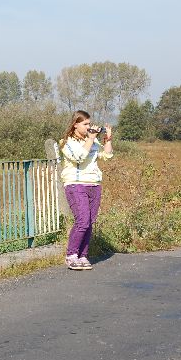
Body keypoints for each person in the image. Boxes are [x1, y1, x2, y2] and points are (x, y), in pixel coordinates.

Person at [59, 110, 113, 271]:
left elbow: (107, 155)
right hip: (76, 184)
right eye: (85, 124)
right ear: (75, 124)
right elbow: (79, 157)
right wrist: (90, 138)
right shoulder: (66, 142)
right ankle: (71, 255)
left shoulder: (94, 142)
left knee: (89, 222)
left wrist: (108, 138)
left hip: (94, 184)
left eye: (90, 124)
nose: (89, 127)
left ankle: (83, 255)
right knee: (82, 220)